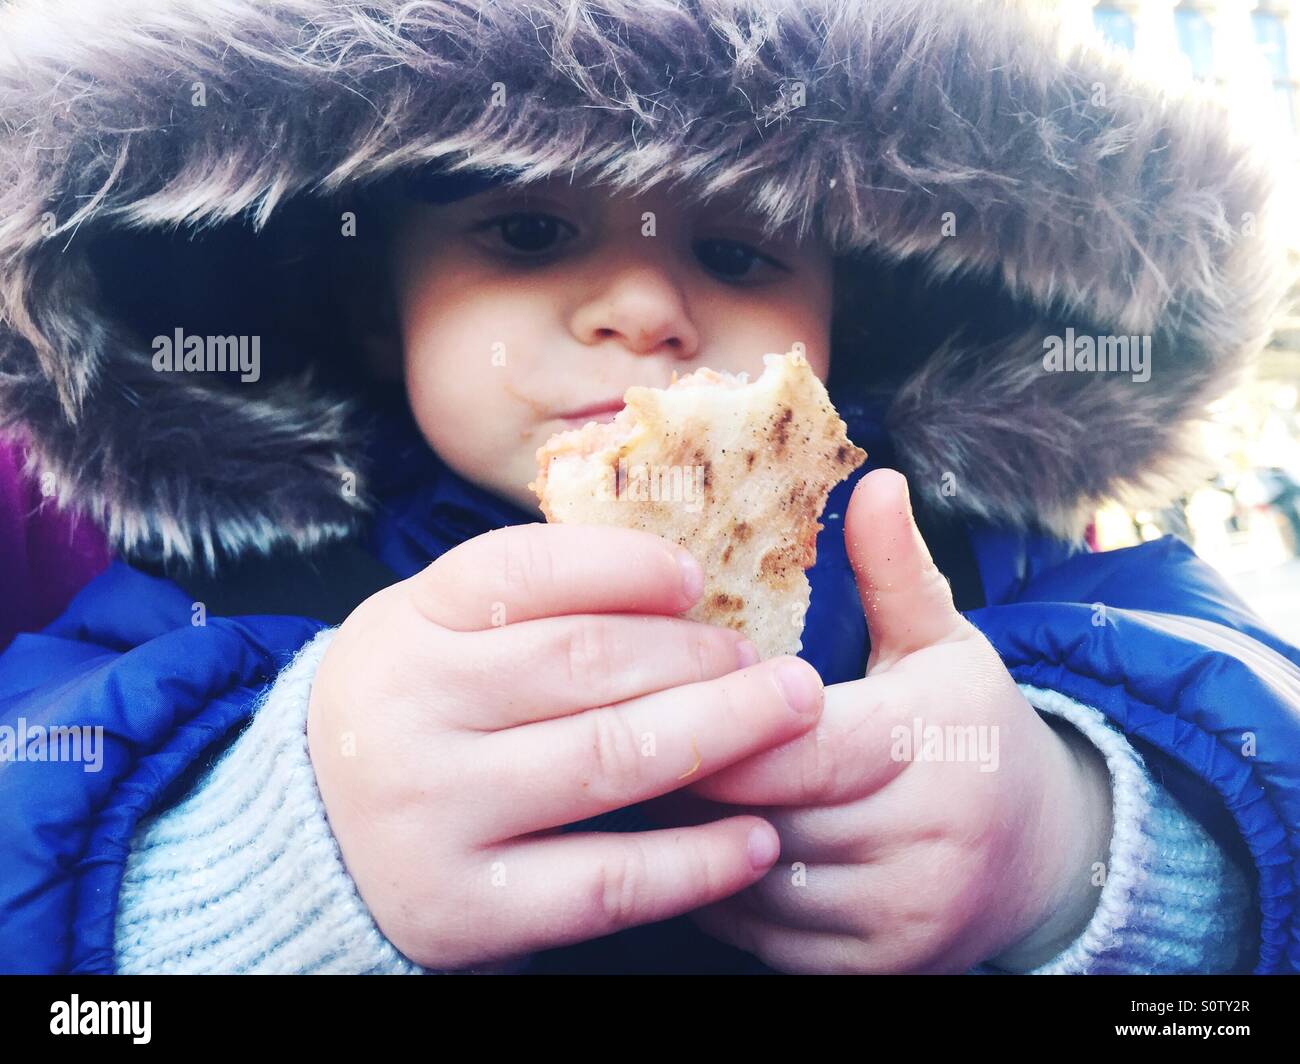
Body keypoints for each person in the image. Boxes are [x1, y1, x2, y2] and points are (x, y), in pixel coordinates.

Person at [0, 0, 1297, 975]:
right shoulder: (217, 595)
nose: (645, 305)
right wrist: (267, 845)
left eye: (738, 249)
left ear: (853, 319)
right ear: (381, 314)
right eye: (527, 230)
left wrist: (1075, 836)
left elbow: (1244, 707)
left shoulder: (980, 560)